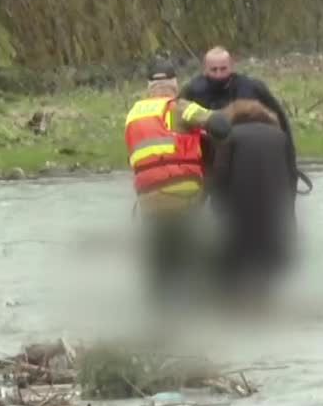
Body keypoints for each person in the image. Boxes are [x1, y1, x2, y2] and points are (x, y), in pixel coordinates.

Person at [124, 58, 231, 304]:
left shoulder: (133, 116)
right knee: (200, 256)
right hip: (182, 200)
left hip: (149, 203)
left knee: (161, 268)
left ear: (149, 86)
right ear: (175, 84)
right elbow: (220, 126)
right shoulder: (180, 107)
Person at [208, 99, 298, 306]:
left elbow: (220, 176)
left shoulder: (229, 136)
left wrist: (216, 207)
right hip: (274, 217)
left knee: (232, 279)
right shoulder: (280, 137)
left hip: (239, 218)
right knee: (265, 278)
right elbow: (292, 177)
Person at [179, 46, 299, 188]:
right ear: (205, 69)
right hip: (208, 157)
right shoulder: (192, 91)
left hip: (246, 157)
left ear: (232, 66)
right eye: (214, 70)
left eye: (223, 69)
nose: (219, 75)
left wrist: (291, 169)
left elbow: (282, 124)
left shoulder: (253, 88)